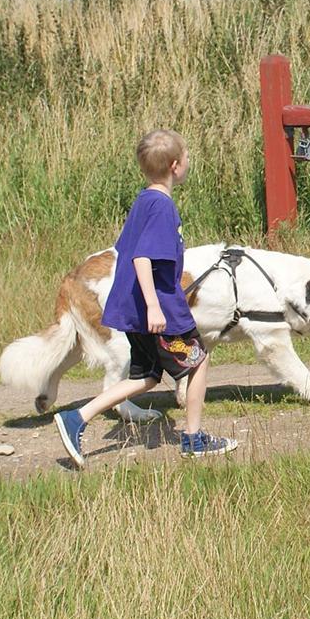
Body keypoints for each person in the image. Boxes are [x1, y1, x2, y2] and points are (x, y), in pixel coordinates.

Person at [53, 129, 238, 467]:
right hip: (160, 309)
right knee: (198, 361)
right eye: (186, 159)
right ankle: (194, 439)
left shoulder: (144, 200)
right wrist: (154, 305)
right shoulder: (160, 207)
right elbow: (141, 257)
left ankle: (76, 417)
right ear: (175, 165)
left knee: (146, 377)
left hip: (138, 308)